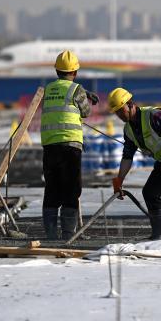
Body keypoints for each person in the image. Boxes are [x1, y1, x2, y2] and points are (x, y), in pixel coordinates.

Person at [109, 87, 161, 240]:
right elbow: (127, 156)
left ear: (130, 104)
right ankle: (157, 235)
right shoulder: (128, 130)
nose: (120, 115)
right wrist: (119, 179)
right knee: (150, 192)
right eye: (117, 112)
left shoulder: (153, 115)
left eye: (121, 110)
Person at [39, 50, 95, 240]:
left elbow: (61, 98)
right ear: (75, 72)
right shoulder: (76, 89)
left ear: (56, 70)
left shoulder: (48, 89)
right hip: (70, 146)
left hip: (49, 146)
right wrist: (85, 96)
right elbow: (85, 112)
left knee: (52, 189)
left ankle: (51, 235)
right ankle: (68, 235)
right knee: (71, 189)